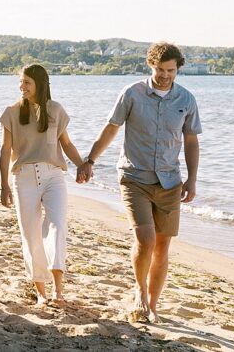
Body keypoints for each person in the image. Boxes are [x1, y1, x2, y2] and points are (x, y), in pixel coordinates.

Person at [77, 42, 201, 324]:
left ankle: (153, 305)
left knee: (162, 246)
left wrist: (192, 180)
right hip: (134, 178)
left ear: (178, 69)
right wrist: (90, 160)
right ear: (151, 66)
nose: (165, 75)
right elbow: (111, 128)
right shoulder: (132, 93)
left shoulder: (186, 100)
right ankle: (140, 292)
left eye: (171, 70)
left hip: (170, 181)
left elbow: (191, 141)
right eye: (160, 69)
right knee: (145, 240)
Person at [0, 64, 85, 306]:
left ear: (40, 84)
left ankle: (58, 290)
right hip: (23, 177)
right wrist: (4, 185)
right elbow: (6, 151)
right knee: (31, 235)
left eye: (27, 82)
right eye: (20, 82)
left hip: (53, 176)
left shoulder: (55, 110)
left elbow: (66, 144)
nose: (22, 87)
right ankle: (41, 293)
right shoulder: (12, 113)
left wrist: (82, 164)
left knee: (57, 226)